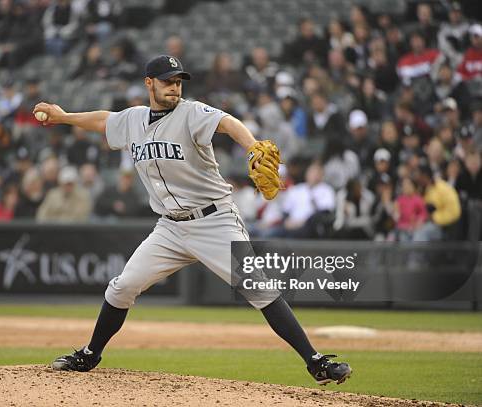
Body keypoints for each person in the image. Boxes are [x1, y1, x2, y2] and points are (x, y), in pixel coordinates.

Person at [33, 55, 351, 384]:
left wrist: (253, 145)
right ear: (149, 83)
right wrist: (64, 116)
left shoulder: (191, 112)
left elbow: (228, 123)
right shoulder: (133, 119)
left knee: (257, 287)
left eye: (178, 81)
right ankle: (90, 354)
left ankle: (316, 362)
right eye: (167, 81)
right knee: (123, 286)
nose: (174, 87)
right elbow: (104, 120)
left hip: (214, 220)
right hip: (169, 227)